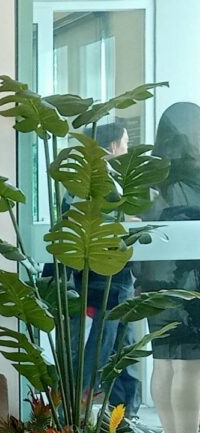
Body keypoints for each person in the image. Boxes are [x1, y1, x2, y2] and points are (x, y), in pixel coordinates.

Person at [138, 102, 200, 433]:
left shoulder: (151, 175)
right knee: (190, 365)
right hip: (189, 279)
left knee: (164, 363)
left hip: (154, 279)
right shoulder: (192, 176)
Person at [72, 119, 142, 417]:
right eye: (125, 143)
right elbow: (93, 223)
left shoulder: (94, 179)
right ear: (112, 146)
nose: (127, 148)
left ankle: (122, 414)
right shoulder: (98, 182)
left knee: (120, 345)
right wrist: (128, 223)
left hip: (112, 278)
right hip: (105, 280)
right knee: (102, 348)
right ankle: (82, 412)